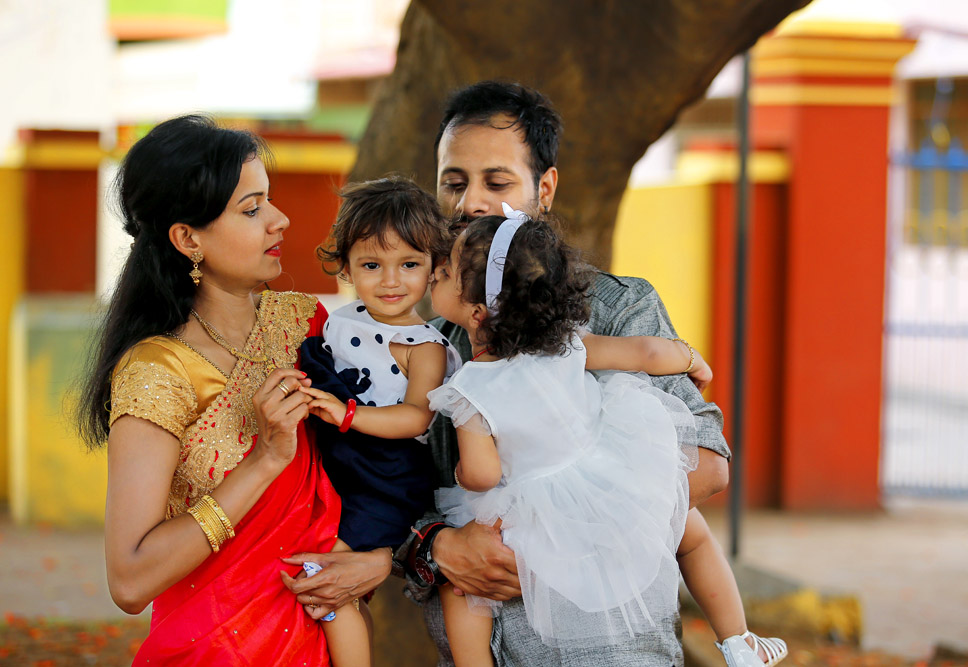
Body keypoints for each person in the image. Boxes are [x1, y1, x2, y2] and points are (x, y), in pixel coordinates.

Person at [396, 80, 758, 667]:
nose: (470, 204)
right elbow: (387, 491)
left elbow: (706, 464)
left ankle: (739, 640)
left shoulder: (617, 310)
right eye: (454, 183)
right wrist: (436, 546)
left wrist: (541, 540)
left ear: (544, 189)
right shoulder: (424, 341)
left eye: (497, 182)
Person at [429, 210, 787, 667]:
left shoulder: (469, 390)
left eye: (443, 274)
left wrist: (463, 471)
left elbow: (482, 474)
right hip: (613, 474)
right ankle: (738, 641)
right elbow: (646, 351)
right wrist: (692, 359)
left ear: (476, 313)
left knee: (463, 591)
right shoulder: (568, 345)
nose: (435, 276)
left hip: (536, 510)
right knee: (691, 536)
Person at [78, 115, 343, 664]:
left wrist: (377, 558)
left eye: (268, 200)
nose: (280, 219)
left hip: (321, 636)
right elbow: (129, 580)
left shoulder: (307, 326)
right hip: (213, 648)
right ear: (187, 238)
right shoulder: (159, 372)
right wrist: (265, 460)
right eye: (251, 210)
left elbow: (368, 470)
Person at [290, 177, 462, 666]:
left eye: (409, 264)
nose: (391, 281)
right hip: (333, 464)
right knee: (330, 580)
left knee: (321, 573)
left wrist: (346, 413)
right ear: (345, 266)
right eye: (371, 265)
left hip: (384, 475)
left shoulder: (424, 346)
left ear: (433, 269)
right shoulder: (337, 320)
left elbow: (413, 417)